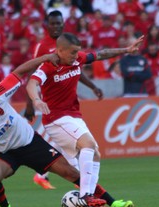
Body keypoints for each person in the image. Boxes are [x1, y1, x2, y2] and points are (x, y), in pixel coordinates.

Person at [0, 53, 110, 207]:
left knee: (70, 172)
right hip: (6, 153)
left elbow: (19, 71)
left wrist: (45, 58)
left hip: (30, 142)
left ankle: (111, 201)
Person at [26, 33, 143, 207]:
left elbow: (102, 54)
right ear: (60, 51)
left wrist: (126, 50)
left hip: (73, 116)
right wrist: (36, 100)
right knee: (87, 145)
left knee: (95, 153)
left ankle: (93, 198)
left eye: (77, 52)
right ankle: (85, 196)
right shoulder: (48, 66)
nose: (76, 56)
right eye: (72, 53)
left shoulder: (77, 59)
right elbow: (31, 84)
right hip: (56, 119)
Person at [25, 10, 103, 190]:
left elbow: (76, 67)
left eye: (59, 23)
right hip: (50, 105)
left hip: (69, 109)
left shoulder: (70, 45)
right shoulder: (43, 46)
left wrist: (92, 86)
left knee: (72, 144)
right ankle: (85, 191)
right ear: (47, 25)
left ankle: (46, 175)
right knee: (72, 142)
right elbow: (33, 73)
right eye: (53, 24)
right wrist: (31, 103)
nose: (56, 26)